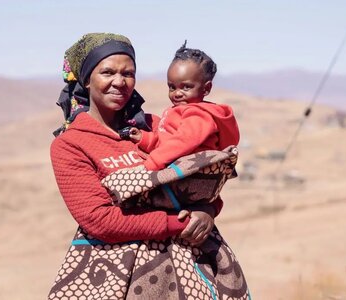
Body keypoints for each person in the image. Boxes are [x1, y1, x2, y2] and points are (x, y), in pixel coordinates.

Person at [48, 33, 249, 300]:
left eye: (128, 73)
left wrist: (208, 210)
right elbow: (100, 221)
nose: (119, 82)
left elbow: (199, 181)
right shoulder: (72, 144)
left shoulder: (155, 127)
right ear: (86, 79)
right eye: (107, 72)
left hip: (189, 266)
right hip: (118, 275)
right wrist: (179, 224)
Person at [126, 42, 240, 171]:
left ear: (206, 88)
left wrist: (151, 164)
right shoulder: (178, 111)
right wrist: (145, 139)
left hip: (192, 173)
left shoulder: (199, 116)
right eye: (172, 87)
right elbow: (167, 143)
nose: (177, 93)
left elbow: (181, 143)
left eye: (186, 87)